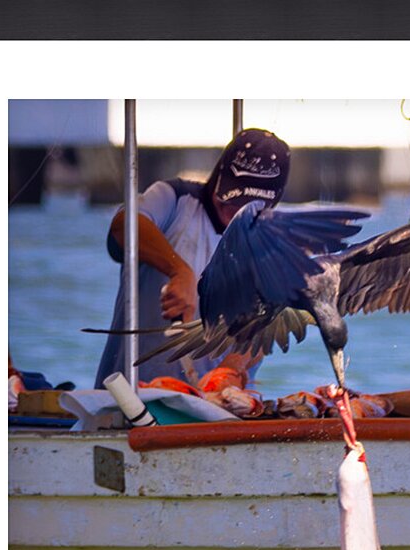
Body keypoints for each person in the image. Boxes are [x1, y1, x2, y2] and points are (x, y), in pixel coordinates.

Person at [94, 128, 291, 387]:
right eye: (231, 198)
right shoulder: (173, 199)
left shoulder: (276, 245)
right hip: (133, 399)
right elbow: (123, 226)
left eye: (249, 205)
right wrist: (179, 270)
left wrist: (234, 365)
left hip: (218, 406)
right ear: (218, 176)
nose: (235, 210)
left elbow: (270, 323)